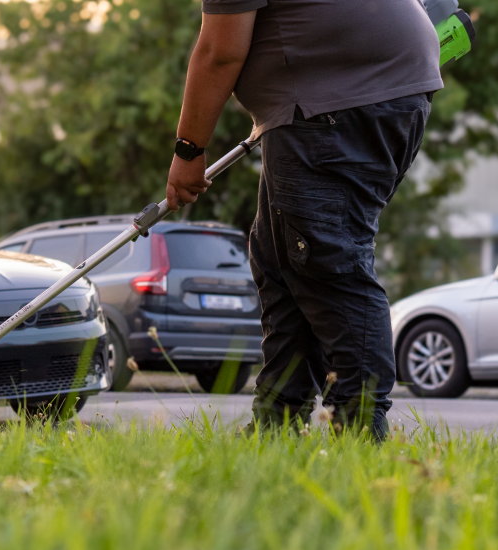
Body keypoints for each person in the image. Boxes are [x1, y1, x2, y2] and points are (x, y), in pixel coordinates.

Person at [165, 0, 443, 440]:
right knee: (283, 262)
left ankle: (358, 430)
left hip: (334, 106)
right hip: (368, 97)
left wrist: (188, 151)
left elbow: (221, 51)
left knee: (327, 263)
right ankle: (276, 423)